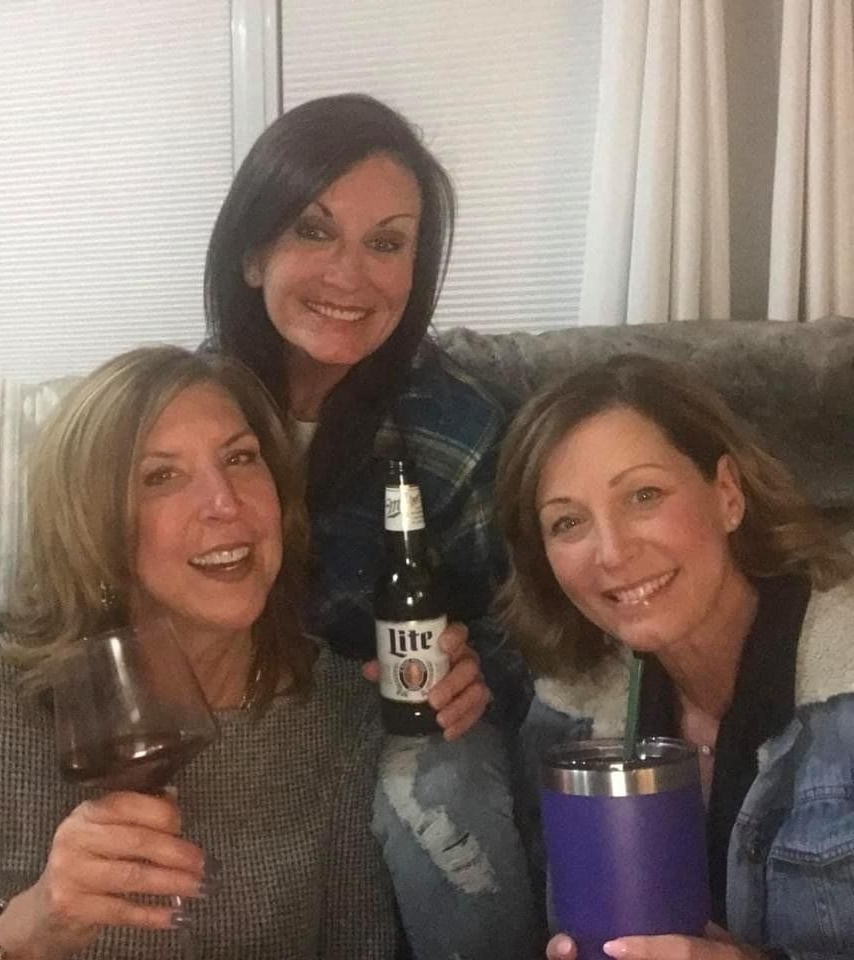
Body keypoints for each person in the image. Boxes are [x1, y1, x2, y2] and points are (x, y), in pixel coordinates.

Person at [0, 345, 397, 959]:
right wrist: (25, 931)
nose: (225, 503)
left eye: (240, 458)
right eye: (162, 476)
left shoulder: (341, 708)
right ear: (95, 524)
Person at [202, 92, 539, 958]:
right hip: (227, 717)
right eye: (314, 231)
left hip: (395, 728)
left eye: (386, 242)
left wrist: (479, 671)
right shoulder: (183, 415)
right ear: (251, 253)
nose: (351, 276)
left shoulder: (459, 425)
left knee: (441, 786)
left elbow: (536, 627)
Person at [496, 353, 854, 960]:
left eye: (643, 495)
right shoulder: (569, 713)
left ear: (727, 495)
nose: (610, 552)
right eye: (567, 523)